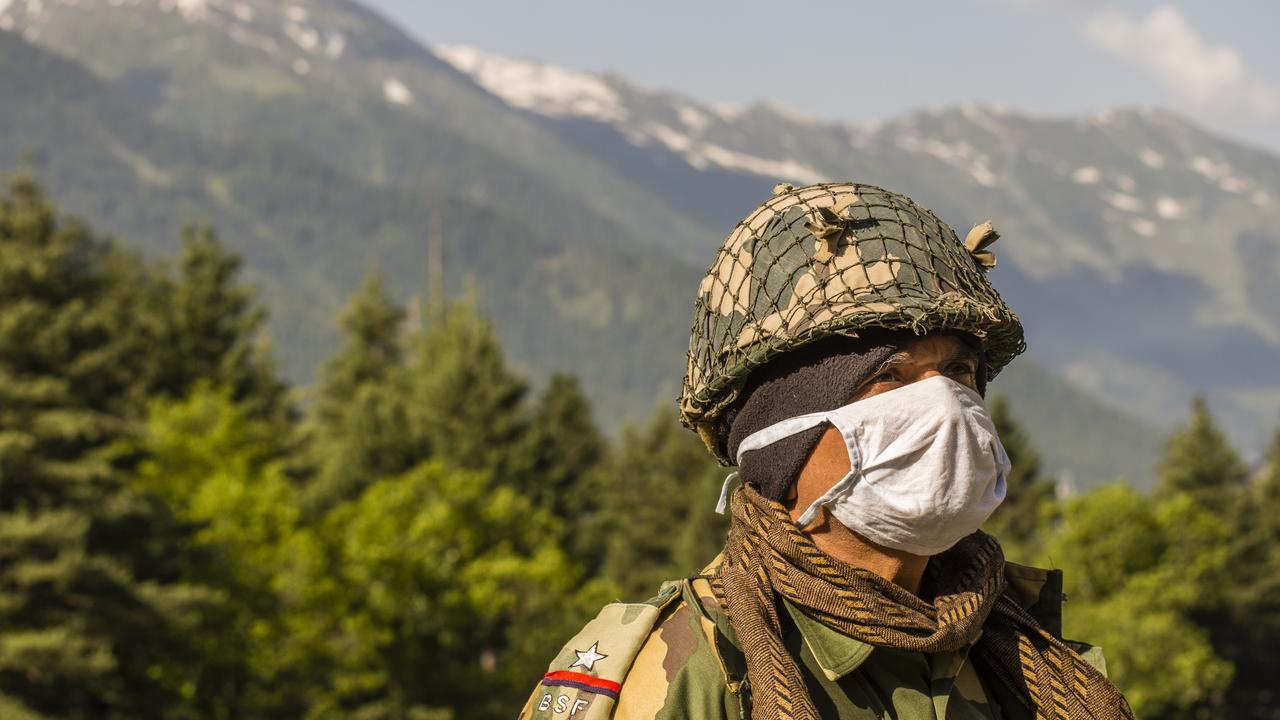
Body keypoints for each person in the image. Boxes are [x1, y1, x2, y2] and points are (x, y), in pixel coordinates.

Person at [518, 182, 1135, 720]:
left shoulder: (1030, 663)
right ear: (785, 441)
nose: (945, 407)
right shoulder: (692, 670)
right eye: (890, 377)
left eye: (959, 372)